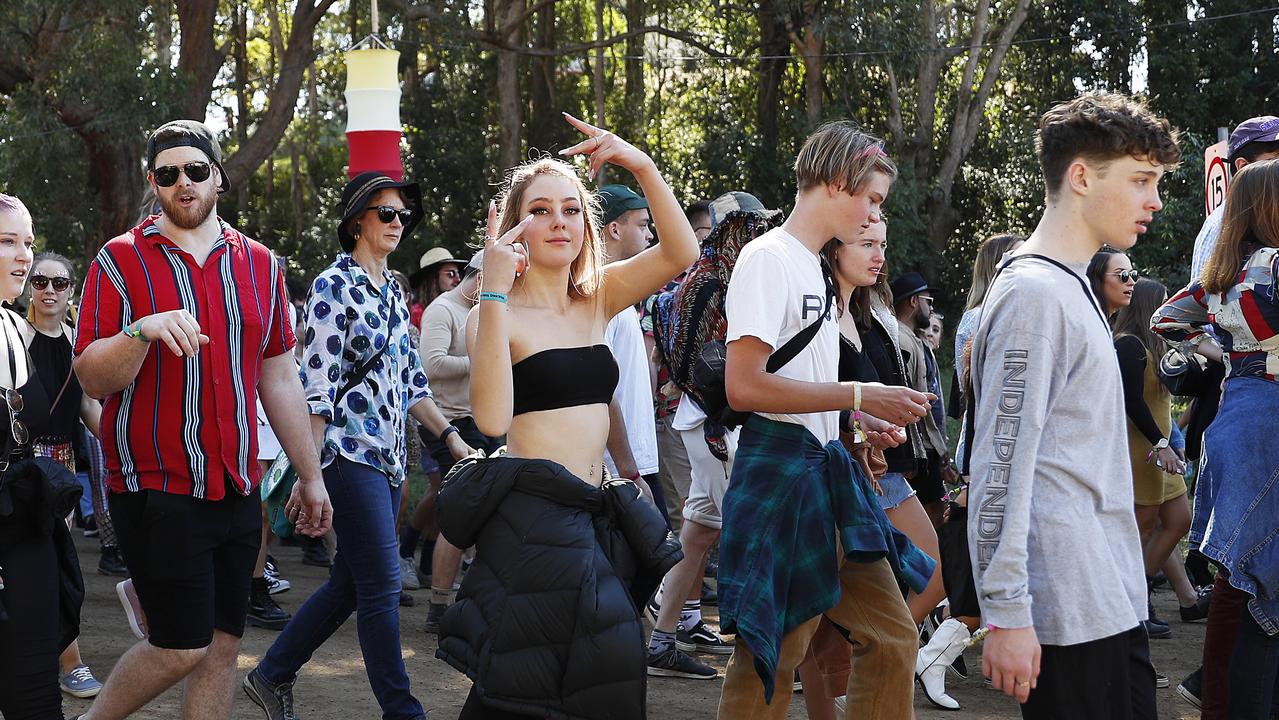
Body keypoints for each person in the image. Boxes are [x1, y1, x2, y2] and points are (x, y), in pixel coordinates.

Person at [435, 113, 695, 720]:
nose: (559, 222)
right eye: (542, 210)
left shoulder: (597, 297)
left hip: (592, 507)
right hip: (534, 513)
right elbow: (493, 420)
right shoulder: (492, 315)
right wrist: (495, 291)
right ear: (514, 225)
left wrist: (640, 163)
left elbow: (682, 251)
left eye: (572, 209)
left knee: (536, 676)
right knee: (604, 651)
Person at [72, 119, 332, 720]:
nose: (183, 184)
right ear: (153, 182)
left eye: (195, 170)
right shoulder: (119, 260)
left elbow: (280, 378)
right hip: (155, 487)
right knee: (181, 644)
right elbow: (90, 375)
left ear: (218, 174)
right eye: (168, 174)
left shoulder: (261, 265)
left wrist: (310, 476)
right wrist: (141, 330)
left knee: (221, 648)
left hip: (236, 487)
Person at [967, 93, 1180, 718]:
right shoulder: (1034, 296)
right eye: (1141, 180)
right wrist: (1005, 612)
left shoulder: (1068, 286)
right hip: (1068, 611)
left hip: (1106, 597)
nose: (1155, 200)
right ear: (1081, 177)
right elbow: (1000, 467)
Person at [715, 121, 935, 719]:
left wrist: (861, 427)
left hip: (825, 471)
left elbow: (809, 387)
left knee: (893, 637)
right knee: (773, 653)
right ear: (838, 183)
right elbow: (744, 386)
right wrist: (860, 395)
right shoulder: (768, 259)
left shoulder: (812, 267)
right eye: (872, 200)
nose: (872, 218)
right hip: (780, 472)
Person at [243, 172, 473, 720]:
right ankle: (404, 711)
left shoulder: (394, 291)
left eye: (401, 215)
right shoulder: (332, 285)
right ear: (356, 223)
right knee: (382, 586)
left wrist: (452, 439)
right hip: (347, 454)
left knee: (351, 582)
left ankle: (271, 675)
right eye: (385, 214)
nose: (397, 223)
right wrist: (310, 473)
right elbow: (316, 387)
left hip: (391, 460)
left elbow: (412, 382)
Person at [1153, 158, 1279, 720]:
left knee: (1241, 574)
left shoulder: (1219, 277)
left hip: (1235, 415)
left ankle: (1220, 702)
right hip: (1270, 419)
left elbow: (1164, 319)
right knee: (1263, 580)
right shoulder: (1273, 267)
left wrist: (1220, 346)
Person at [0, 193, 85, 720]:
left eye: (27, 242)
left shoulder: (10, 328)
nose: (25, 257)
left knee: (33, 689)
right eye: (7, 241)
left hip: (25, 519)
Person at [22, 252, 107, 700]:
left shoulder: (81, 346)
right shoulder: (12, 336)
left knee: (56, 565)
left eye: (59, 283)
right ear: (29, 287)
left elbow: (89, 407)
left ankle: (68, 662)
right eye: (40, 282)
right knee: (22, 565)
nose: (49, 291)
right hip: (16, 467)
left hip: (60, 471)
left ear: (72, 290)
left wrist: (121, 444)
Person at [406, 250, 503, 632]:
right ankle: (439, 607)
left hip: (479, 419)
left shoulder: (486, 309)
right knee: (461, 511)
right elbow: (431, 366)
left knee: (479, 510)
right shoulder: (443, 310)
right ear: (479, 276)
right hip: (446, 421)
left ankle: (458, 595)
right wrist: (484, 360)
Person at [597, 183, 664, 517]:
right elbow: (600, 389)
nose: (650, 234)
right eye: (642, 224)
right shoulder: (597, 292)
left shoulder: (618, 291)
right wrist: (629, 470)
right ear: (614, 229)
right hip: (617, 470)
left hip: (633, 462)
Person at [1190, 116, 1279, 282]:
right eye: (1275, 161)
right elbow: (1202, 301)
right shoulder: (1222, 225)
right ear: (1243, 167)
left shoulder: (1265, 218)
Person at [408, 247, 465, 328]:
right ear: (432, 278)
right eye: (451, 274)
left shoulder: (461, 309)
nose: (458, 279)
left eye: (459, 274)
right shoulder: (415, 314)